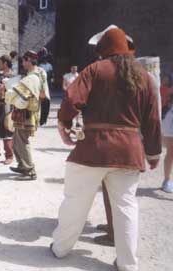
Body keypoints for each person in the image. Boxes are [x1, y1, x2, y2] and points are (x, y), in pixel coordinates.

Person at [51, 26, 161, 271]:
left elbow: (71, 100)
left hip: (93, 148)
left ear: (103, 49)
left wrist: (64, 124)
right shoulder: (145, 76)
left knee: (75, 201)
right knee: (126, 207)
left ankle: (60, 248)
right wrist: (153, 153)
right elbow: (153, 120)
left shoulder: (95, 70)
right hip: (128, 151)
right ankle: (128, 264)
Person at [7, 50, 49, 179]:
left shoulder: (31, 78)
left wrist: (7, 92)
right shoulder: (39, 73)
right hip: (25, 112)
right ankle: (22, 166)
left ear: (29, 61)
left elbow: (20, 94)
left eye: (24, 61)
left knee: (21, 141)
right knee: (16, 140)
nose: (23, 63)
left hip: (26, 113)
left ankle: (30, 169)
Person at [161, 74, 173, 193]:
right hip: (170, 119)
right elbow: (163, 84)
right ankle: (167, 180)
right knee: (171, 151)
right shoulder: (169, 77)